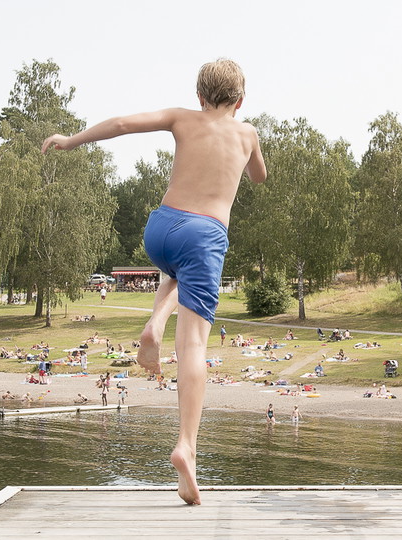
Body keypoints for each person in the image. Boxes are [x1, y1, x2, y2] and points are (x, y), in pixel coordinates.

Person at [42, 59, 266, 506]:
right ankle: (186, 445)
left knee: (175, 271)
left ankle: (153, 324)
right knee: (195, 347)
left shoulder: (181, 118)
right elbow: (259, 176)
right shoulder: (248, 134)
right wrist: (248, 161)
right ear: (241, 101)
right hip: (205, 235)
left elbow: (124, 123)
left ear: (199, 96)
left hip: (161, 228)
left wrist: (71, 141)